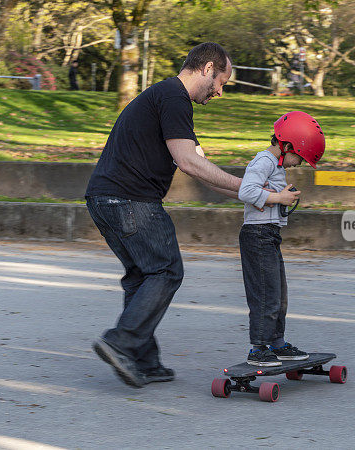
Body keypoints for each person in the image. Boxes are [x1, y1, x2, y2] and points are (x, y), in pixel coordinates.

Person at [85, 42, 242, 387]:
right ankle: (120, 343)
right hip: (130, 200)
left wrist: (251, 196)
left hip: (104, 199)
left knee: (143, 277)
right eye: (221, 82)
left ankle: (144, 361)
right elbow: (189, 162)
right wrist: (251, 189)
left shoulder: (166, 98)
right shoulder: (174, 98)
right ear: (207, 68)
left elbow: (198, 166)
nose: (220, 92)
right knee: (166, 270)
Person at [236, 111, 325, 367]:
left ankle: (277, 342)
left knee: (278, 294)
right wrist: (280, 198)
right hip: (257, 234)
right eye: (300, 157)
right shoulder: (263, 161)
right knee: (265, 294)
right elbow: (246, 191)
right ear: (286, 146)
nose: (299, 164)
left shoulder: (273, 165)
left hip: (269, 234)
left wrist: (281, 195)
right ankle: (258, 349)